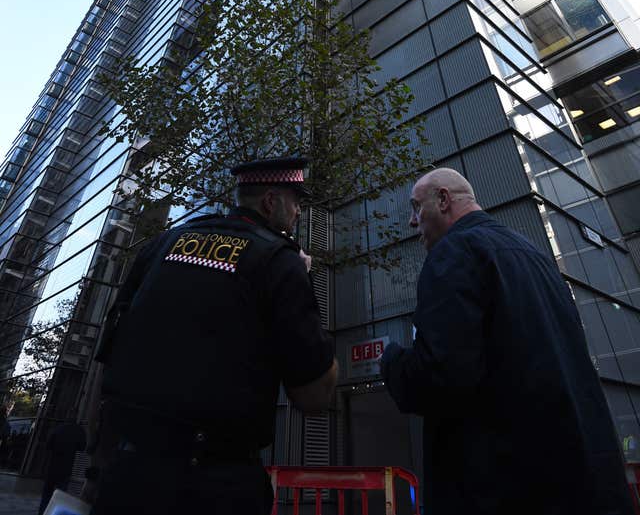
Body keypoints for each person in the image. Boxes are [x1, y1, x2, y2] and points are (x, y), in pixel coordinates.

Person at [86, 155, 337, 515]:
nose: (298, 213)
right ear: (271, 202)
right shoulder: (280, 261)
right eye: (296, 202)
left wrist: (96, 471)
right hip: (215, 484)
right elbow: (314, 396)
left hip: (127, 475)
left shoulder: (161, 245)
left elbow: (107, 360)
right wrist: (304, 286)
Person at [380, 167, 633, 515]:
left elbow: (440, 377)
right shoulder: (536, 258)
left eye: (415, 207)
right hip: (584, 486)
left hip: (505, 487)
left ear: (443, 199)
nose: (412, 222)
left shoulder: (454, 253)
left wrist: (391, 360)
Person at [38, 420, 86, 515]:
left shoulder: (58, 428)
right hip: (66, 467)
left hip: (53, 465)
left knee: (47, 494)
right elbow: (82, 447)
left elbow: (48, 445)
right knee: (60, 495)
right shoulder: (79, 431)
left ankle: (42, 512)